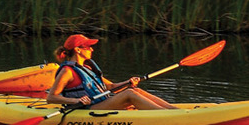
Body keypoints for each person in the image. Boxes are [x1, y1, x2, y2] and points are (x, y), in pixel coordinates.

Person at [45, 34, 174, 110]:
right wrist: (76, 101)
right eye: (88, 47)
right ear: (78, 50)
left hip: (100, 103)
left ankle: (174, 110)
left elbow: (111, 87)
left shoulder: (87, 68)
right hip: (88, 108)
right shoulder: (67, 71)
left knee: (135, 91)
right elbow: (51, 98)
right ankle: (167, 115)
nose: (92, 49)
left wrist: (128, 82)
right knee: (129, 94)